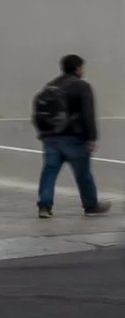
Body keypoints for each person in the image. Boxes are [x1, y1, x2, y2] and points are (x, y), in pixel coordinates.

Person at [33, 54, 104, 217]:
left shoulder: (50, 86)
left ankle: (44, 206)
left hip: (51, 138)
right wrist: (92, 137)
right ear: (78, 68)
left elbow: (40, 112)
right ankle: (91, 205)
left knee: (49, 172)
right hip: (74, 138)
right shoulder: (81, 86)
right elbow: (88, 113)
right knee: (83, 174)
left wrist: (43, 132)